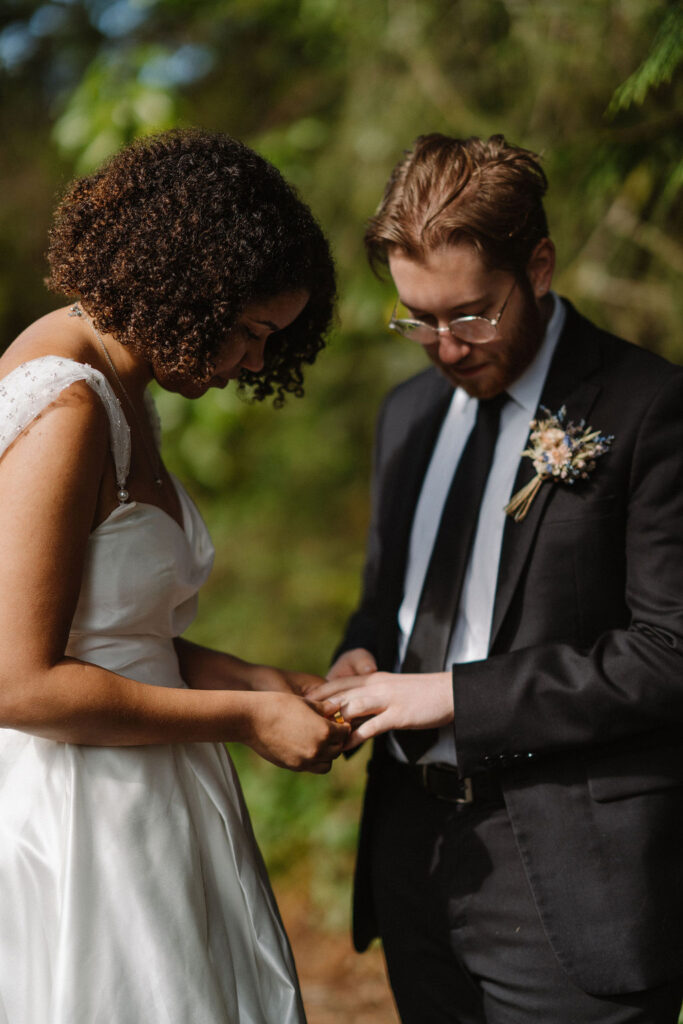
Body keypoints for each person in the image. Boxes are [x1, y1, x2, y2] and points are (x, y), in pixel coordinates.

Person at [311, 134, 683, 1022]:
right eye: (416, 319)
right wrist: (361, 654)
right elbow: (385, 598)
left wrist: (451, 697)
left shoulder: (646, 407)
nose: (443, 348)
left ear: (539, 266)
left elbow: (667, 653)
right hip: (414, 862)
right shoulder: (403, 417)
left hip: (572, 880)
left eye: (470, 315)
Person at [0, 128, 349, 1024]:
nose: (256, 363)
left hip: (157, 794)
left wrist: (259, 680)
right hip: (84, 818)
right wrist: (243, 717)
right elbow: (19, 682)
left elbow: (117, 638)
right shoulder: (65, 407)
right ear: (188, 288)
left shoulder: (125, 384)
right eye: (247, 331)